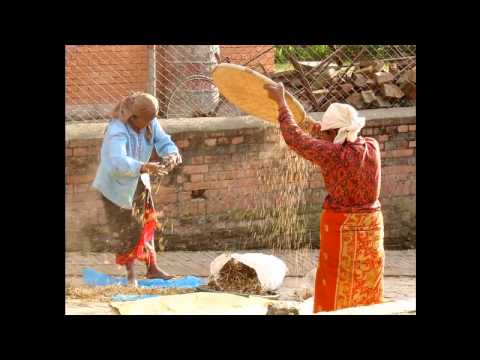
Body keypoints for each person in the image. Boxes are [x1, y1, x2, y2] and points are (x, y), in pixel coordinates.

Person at [264, 82, 384, 312]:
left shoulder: (333, 155)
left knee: (335, 282)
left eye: (328, 133)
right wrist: (305, 120)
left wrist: (281, 104)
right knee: (366, 280)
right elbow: (326, 135)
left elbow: (296, 140)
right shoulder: (371, 146)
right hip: (371, 225)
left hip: (342, 227)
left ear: (334, 133)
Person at [92, 92, 182, 286]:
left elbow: (164, 141)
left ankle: (152, 269)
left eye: (153, 119)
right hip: (115, 186)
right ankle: (131, 274)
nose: (151, 123)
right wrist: (143, 166)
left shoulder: (149, 121)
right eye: (147, 120)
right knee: (126, 229)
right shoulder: (117, 129)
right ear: (133, 117)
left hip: (138, 181)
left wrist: (172, 154)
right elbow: (116, 160)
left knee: (147, 222)